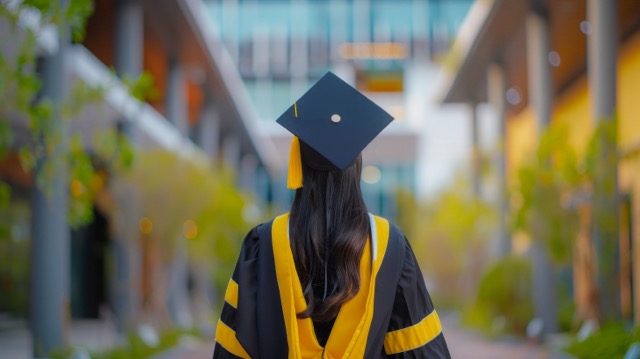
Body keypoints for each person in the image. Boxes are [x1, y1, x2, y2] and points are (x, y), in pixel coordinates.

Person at [213, 72, 450, 358]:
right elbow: (419, 350)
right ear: (356, 167)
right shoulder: (390, 246)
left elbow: (233, 348)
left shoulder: (262, 244)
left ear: (299, 162)